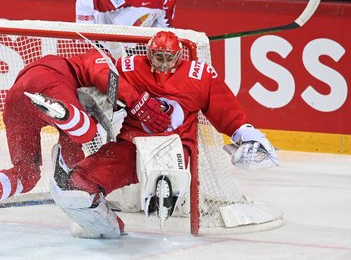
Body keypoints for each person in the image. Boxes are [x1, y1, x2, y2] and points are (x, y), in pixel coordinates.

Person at [48, 31, 279, 239]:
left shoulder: (199, 75)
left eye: (169, 58)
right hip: (132, 143)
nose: (163, 63)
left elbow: (223, 106)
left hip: (176, 145)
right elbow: (100, 74)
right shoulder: (129, 67)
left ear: (179, 56)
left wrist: (243, 131)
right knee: (80, 182)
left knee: (166, 174)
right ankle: (102, 221)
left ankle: (163, 195)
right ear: (149, 54)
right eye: (158, 57)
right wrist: (114, 103)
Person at [0, 48, 171, 238]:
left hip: (18, 102)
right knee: (86, 132)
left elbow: (73, 182)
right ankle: (62, 111)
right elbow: (102, 74)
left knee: (28, 174)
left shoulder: (79, 116)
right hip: (46, 83)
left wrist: (94, 218)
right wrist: (137, 102)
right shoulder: (99, 58)